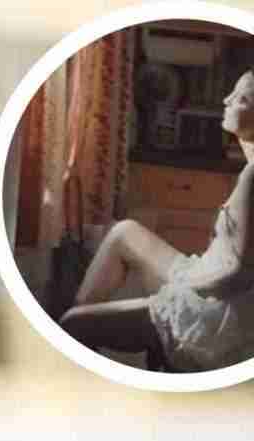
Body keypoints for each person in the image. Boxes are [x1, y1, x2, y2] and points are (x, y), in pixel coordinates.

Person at [59, 69, 254, 373]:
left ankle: (85, 332)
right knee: (125, 231)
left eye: (241, 99)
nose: (226, 100)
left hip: (217, 312)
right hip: (214, 281)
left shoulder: (252, 177)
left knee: (71, 324)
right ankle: (93, 320)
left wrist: (185, 286)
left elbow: (236, 273)